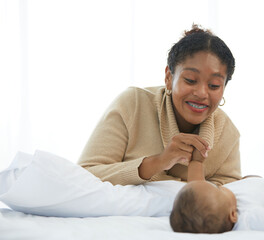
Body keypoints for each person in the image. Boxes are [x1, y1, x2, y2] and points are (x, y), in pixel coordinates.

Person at [78, 24, 241, 186]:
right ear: (169, 78)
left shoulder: (227, 133)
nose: (201, 93)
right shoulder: (133, 105)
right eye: (190, 80)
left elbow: (230, 195)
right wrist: (158, 162)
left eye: (214, 85)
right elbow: (84, 175)